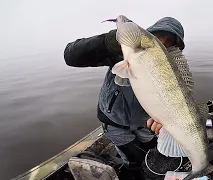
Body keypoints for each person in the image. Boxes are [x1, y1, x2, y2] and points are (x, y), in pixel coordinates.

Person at [64, 17, 185, 168]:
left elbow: (173, 103)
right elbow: (70, 55)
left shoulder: (171, 74)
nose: (164, 44)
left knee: (148, 155)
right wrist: (110, 42)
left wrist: (166, 121)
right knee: (131, 160)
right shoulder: (120, 52)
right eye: (160, 37)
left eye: (170, 43)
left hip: (146, 127)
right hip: (115, 125)